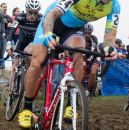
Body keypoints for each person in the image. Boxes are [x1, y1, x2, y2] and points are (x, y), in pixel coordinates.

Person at [19, 0, 121, 128]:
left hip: (73, 30)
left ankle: (70, 104)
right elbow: (52, 15)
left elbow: (110, 37)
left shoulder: (114, 6)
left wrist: (109, 48)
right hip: (51, 23)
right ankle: (27, 108)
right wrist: (47, 33)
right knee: (39, 61)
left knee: (78, 53)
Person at [83, 23, 99, 96]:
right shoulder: (80, 38)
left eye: (89, 33)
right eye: (85, 33)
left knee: (93, 72)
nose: (87, 34)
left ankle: (88, 89)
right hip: (83, 58)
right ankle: (81, 87)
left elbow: (93, 51)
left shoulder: (94, 38)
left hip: (94, 57)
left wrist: (88, 61)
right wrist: (83, 60)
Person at [0, 3, 12, 68]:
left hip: (5, 35)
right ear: (0, 7)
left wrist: (7, 22)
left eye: (6, 7)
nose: (5, 8)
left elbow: (9, 25)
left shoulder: (8, 17)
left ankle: (2, 64)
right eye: (4, 7)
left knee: (3, 50)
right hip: (1, 34)